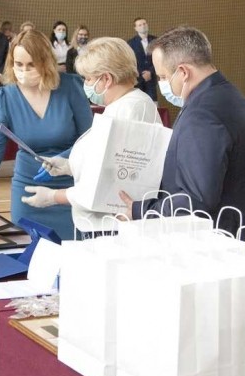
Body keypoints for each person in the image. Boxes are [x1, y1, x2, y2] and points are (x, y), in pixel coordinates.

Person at [128, 26, 245, 242]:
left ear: (183, 72)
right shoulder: (229, 94)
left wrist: (140, 210)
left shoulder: (201, 114)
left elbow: (196, 199)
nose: (161, 83)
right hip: (244, 231)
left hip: (222, 241)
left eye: (163, 76)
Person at [0, 29, 93, 240]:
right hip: (29, 188)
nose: (24, 70)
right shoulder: (5, 96)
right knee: (28, 249)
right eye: (18, 64)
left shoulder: (71, 86)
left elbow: (90, 139)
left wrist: (62, 159)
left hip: (69, 188)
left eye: (31, 65)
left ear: (45, 62)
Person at [22, 37, 160, 234]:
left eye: (87, 79)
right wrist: (70, 166)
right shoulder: (123, 105)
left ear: (106, 79)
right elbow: (109, 163)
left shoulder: (129, 109)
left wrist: (54, 196)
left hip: (113, 227)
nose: (85, 84)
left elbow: (107, 184)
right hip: (106, 225)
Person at [127, 17, 158, 101]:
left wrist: (150, 72)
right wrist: (141, 73)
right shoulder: (131, 43)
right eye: (140, 25)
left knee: (152, 101)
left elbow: (159, 59)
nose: (143, 26)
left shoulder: (156, 41)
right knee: (138, 100)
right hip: (138, 79)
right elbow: (130, 61)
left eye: (144, 24)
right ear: (135, 28)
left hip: (151, 78)